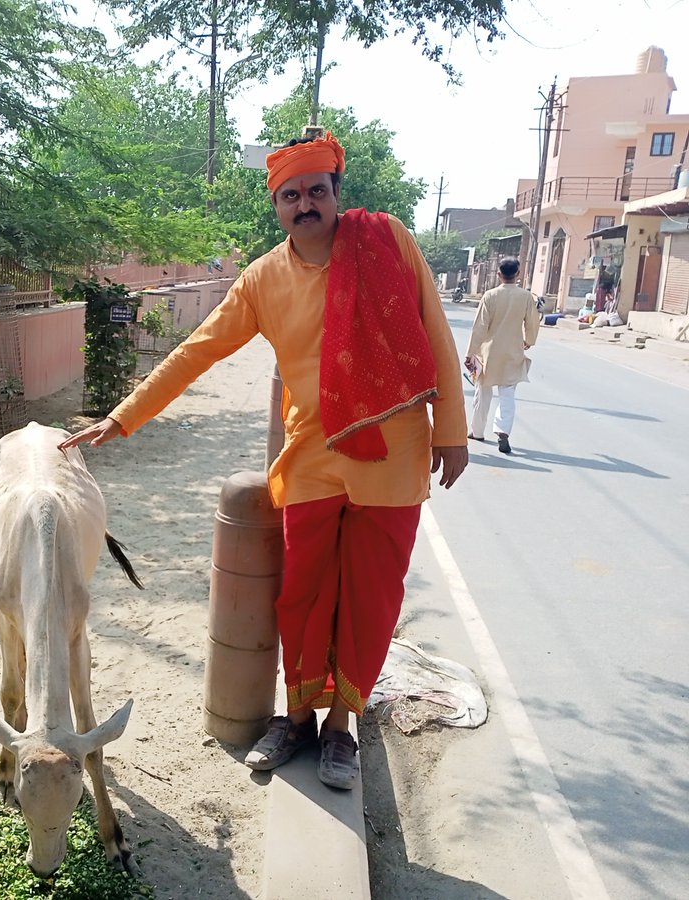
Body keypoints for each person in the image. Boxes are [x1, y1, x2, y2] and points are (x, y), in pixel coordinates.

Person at [59, 132, 468, 790]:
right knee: (301, 593)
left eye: (316, 190)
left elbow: (434, 329)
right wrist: (125, 415)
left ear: (337, 193)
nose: (304, 203)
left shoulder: (386, 240)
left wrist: (452, 428)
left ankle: (342, 730)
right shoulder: (263, 279)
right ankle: (297, 717)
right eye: (290, 195)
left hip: (394, 455)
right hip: (310, 455)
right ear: (275, 205)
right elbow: (197, 350)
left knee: (371, 599)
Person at [464, 257, 541, 455]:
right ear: (517, 274)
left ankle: (477, 431)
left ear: (499, 274)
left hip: (488, 353)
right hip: (513, 352)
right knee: (507, 395)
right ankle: (503, 431)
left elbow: (479, 327)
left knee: (483, 393)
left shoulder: (490, 296)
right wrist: (529, 340)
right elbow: (532, 323)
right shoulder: (525, 297)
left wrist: (470, 352)